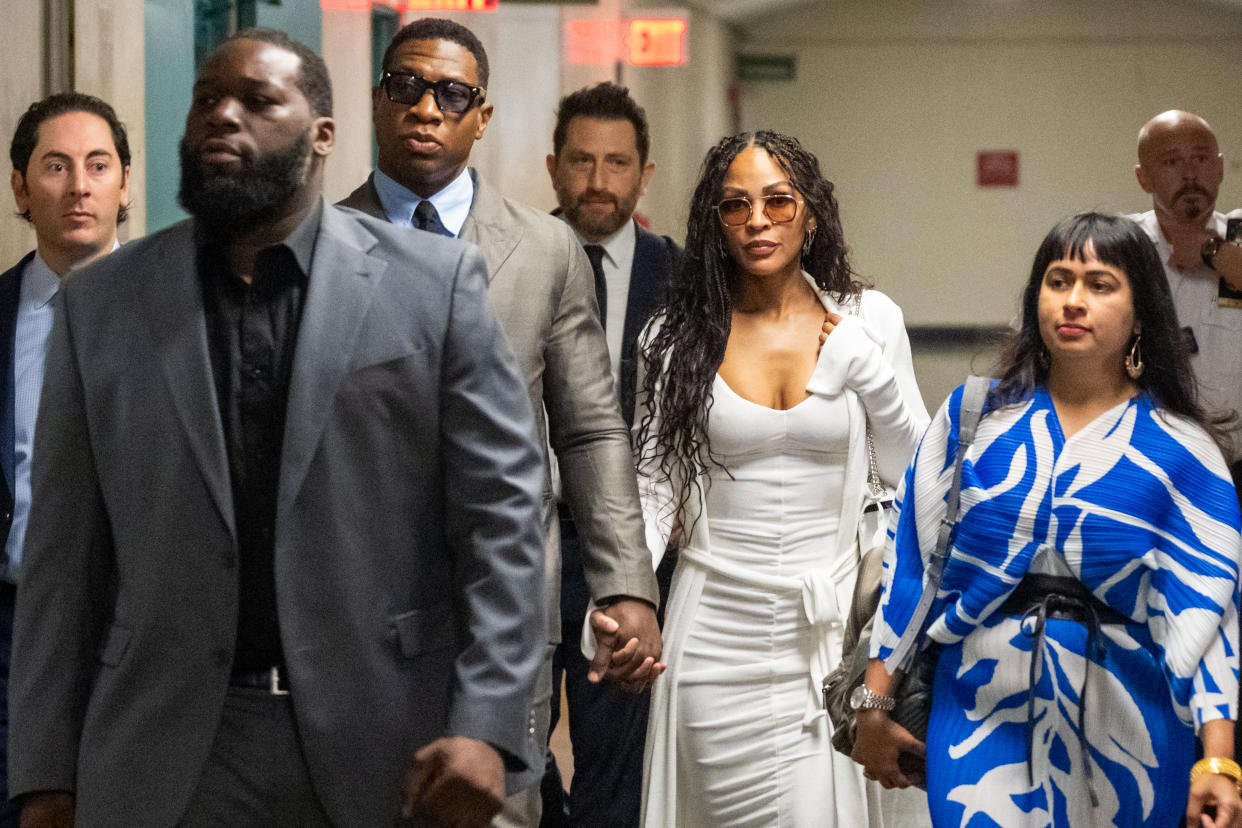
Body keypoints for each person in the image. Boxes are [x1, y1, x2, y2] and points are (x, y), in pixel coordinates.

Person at [7, 29, 547, 828]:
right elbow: (63, 559)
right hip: (165, 749)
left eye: (258, 101)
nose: (224, 117)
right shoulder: (105, 305)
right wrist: (44, 773)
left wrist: (487, 723)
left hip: (383, 738)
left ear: (323, 134)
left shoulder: (432, 289)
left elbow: (502, 520)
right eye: (207, 103)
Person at [339, 19, 662, 826]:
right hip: (357, 598)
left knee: (499, 808)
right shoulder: (320, 247)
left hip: (504, 596)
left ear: (482, 116)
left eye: (451, 94)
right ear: (379, 99)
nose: (425, 109)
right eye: (405, 87)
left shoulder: (546, 249)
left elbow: (589, 431)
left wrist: (626, 582)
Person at [855, 212, 1242, 828]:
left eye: (1100, 284)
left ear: (1141, 311)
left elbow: (1213, 614)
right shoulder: (975, 417)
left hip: (1134, 726)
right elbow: (912, 563)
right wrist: (872, 706)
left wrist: (1218, 764)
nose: (1074, 300)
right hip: (977, 712)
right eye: (1058, 280)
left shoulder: (1179, 448)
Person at [635, 130, 930, 826]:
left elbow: (915, 474)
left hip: (824, 637)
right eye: (735, 206)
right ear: (715, 222)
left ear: (812, 214)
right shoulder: (674, 340)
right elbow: (653, 486)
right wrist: (627, 595)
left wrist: (873, 378)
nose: (758, 220)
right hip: (711, 630)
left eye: (777, 201)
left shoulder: (867, 320)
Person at [542, 82, 681, 827]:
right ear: (552, 168)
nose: (599, 181)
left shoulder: (686, 279)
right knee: (512, 749)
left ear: (645, 173)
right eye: (582, 161)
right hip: (525, 538)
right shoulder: (517, 260)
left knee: (617, 761)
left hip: (632, 549)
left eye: (617, 163)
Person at [0, 91, 130, 828]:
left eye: (97, 165)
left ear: (125, 184)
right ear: (21, 188)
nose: (78, 186)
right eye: (54, 167)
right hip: (10, 625)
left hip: (133, 633)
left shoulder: (181, 314)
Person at [1127, 111, 1242, 466]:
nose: (1190, 174)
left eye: (1201, 159)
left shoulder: (1238, 234)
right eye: (1172, 161)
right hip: (1148, 460)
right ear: (1143, 178)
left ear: (1220, 168)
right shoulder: (1120, 245)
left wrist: (1214, 254)